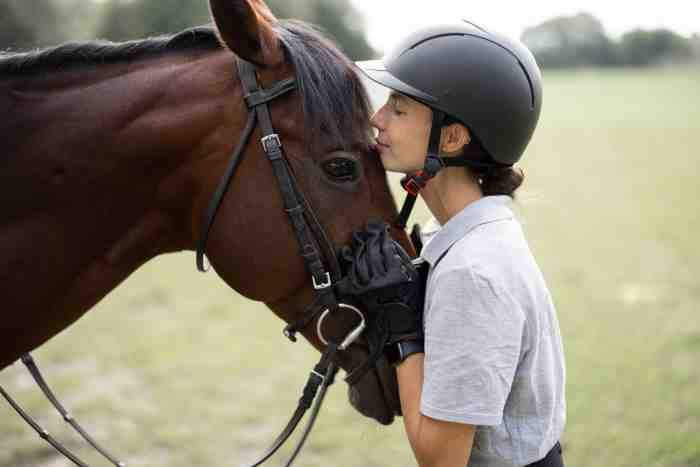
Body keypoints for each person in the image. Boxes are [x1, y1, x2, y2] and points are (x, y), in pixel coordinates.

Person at [348, 20, 566, 467]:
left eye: (399, 107)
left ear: (451, 138)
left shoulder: (473, 272)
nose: (377, 119)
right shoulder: (454, 233)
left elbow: (441, 458)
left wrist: (404, 333)